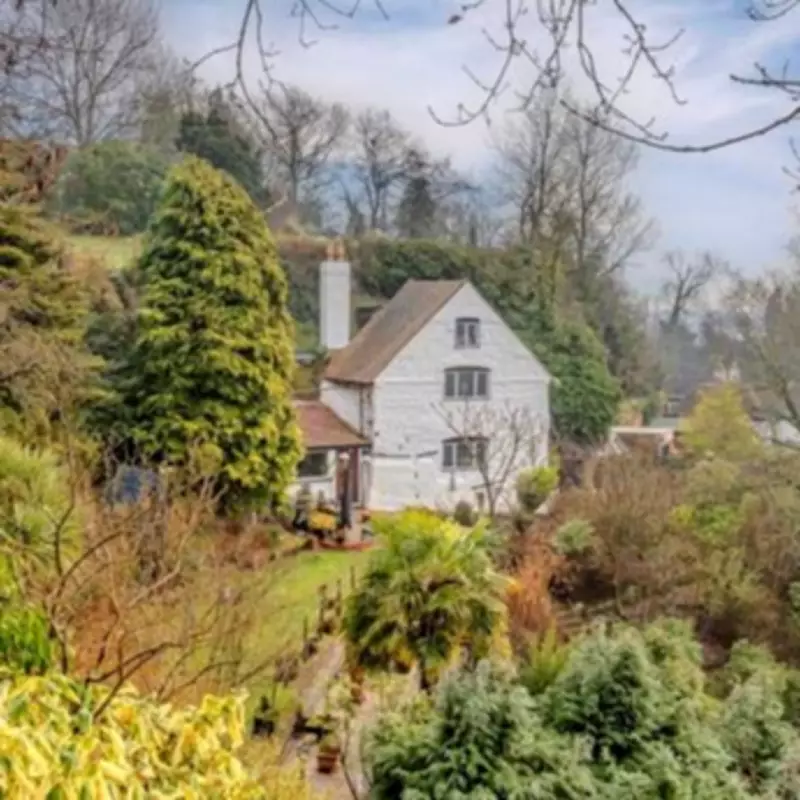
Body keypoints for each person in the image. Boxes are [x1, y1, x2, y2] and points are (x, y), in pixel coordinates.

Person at [335, 452, 352, 531]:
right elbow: (339, 481)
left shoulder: (348, 471)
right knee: (341, 506)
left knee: (347, 505)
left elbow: (347, 482)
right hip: (342, 490)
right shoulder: (340, 470)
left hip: (347, 491)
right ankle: (342, 521)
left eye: (343, 461)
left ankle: (347, 521)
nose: (342, 463)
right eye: (341, 461)